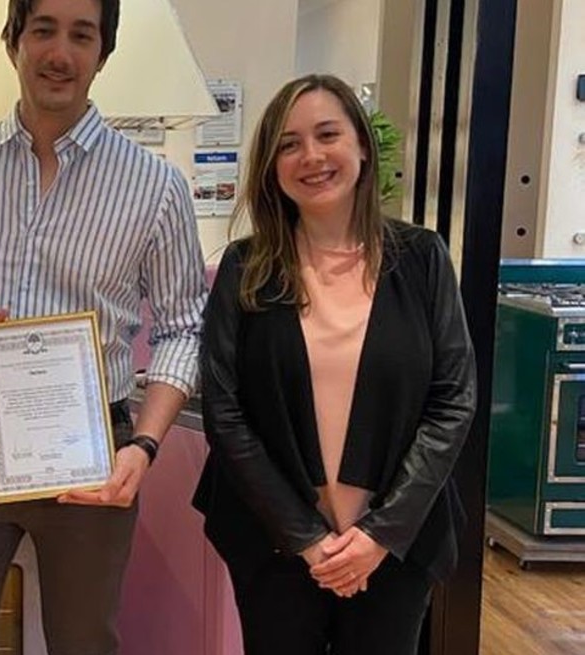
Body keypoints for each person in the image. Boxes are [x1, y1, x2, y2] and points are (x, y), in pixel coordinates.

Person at [0, 0, 208, 651]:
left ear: (103, 52)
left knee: (84, 642)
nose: (60, 53)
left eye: (81, 35)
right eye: (43, 30)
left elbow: (184, 328)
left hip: (93, 455)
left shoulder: (155, 187)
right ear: (13, 39)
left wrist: (143, 446)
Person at [193, 73, 477, 655]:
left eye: (328, 135)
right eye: (289, 143)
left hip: (395, 545)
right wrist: (305, 538)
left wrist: (379, 535)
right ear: (271, 165)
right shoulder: (246, 268)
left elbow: (453, 400)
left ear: (362, 147)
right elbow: (225, 411)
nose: (312, 156)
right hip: (273, 542)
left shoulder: (422, 259)